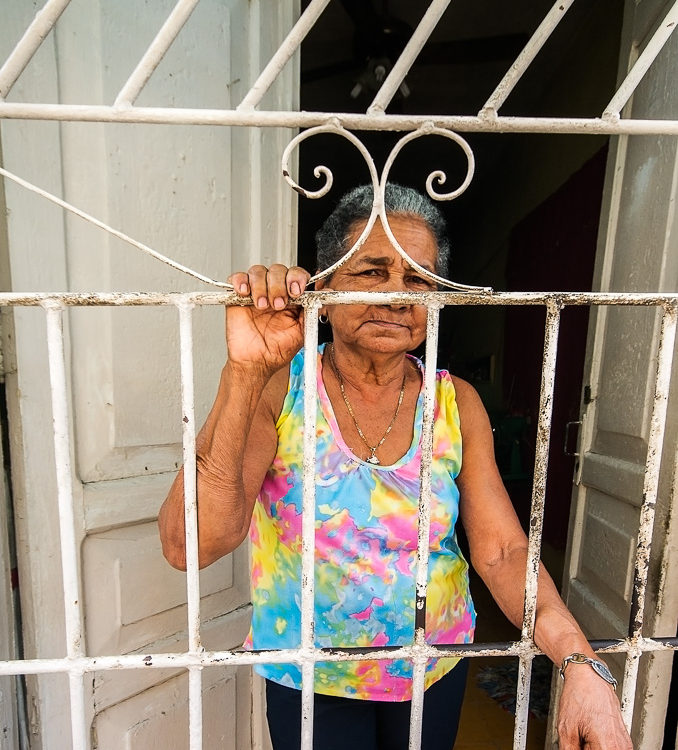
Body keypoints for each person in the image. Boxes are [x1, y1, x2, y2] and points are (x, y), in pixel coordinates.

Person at [158, 184, 633, 750]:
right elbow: (191, 546)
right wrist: (244, 373)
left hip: (433, 666)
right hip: (310, 677)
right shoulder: (280, 389)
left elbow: (502, 551)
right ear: (324, 286)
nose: (396, 296)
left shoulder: (455, 403)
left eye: (417, 278)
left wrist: (580, 663)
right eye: (372, 272)